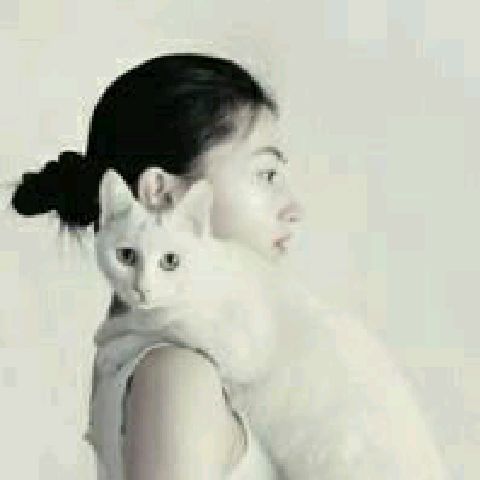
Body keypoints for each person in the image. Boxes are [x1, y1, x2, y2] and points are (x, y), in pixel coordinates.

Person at [11, 53, 303, 479]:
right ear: (161, 194)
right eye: (266, 174)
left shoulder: (173, 364)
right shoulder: (176, 375)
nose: (292, 208)